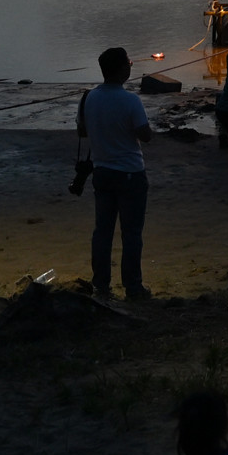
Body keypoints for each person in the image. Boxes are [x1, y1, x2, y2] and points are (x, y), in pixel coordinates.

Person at [77, 46, 152, 301]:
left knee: (103, 231)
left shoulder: (90, 98)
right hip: (130, 172)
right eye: (129, 62)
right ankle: (133, 287)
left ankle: (101, 284)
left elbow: (83, 132)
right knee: (131, 233)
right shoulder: (130, 100)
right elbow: (146, 135)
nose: (131, 65)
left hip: (102, 171)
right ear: (122, 69)